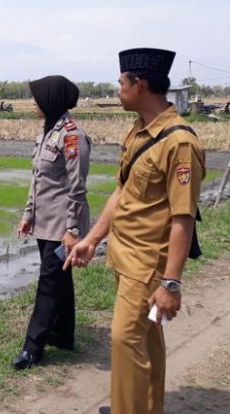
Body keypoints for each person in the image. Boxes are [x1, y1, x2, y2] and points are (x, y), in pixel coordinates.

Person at [65, 48, 206, 414]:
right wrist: (92, 240)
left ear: (139, 85)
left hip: (148, 265)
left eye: (121, 83)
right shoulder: (139, 131)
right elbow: (122, 192)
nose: (117, 90)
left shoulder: (180, 143)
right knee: (147, 337)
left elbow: (183, 218)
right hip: (125, 256)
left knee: (125, 339)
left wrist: (170, 283)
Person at [12, 75, 91, 370]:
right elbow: (38, 180)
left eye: (38, 98)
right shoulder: (47, 132)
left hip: (62, 225)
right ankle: (62, 334)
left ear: (52, 100)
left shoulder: (72, 136)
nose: (34, 103)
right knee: (60, 277)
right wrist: (28, 214)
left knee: (48, 282)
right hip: (45, 221)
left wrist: (72, 230)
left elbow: (77, 187)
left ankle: (33, 348)